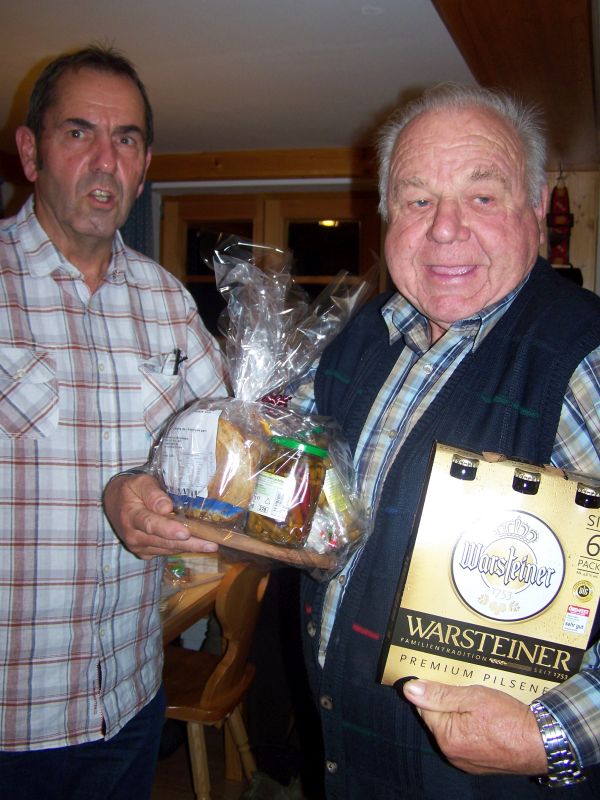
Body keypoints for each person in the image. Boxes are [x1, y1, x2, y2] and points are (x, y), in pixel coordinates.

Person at [105, 83, 600, 798]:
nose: (445, 228)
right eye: (417, 199)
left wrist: (554, 733)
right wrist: (147, 491)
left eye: (482, 196)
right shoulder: (362, 337)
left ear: (533, 203)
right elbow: (262, 472)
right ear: (387, 214)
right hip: (350, 761)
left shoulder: (583, 358)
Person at [0, 46, 227, 800]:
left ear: (145, 163)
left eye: (126, 139)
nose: (106, 160)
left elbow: (228, 451)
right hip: (11, 716)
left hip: (128, 698)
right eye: (78, 133)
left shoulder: (169, 302)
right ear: (30, 152)